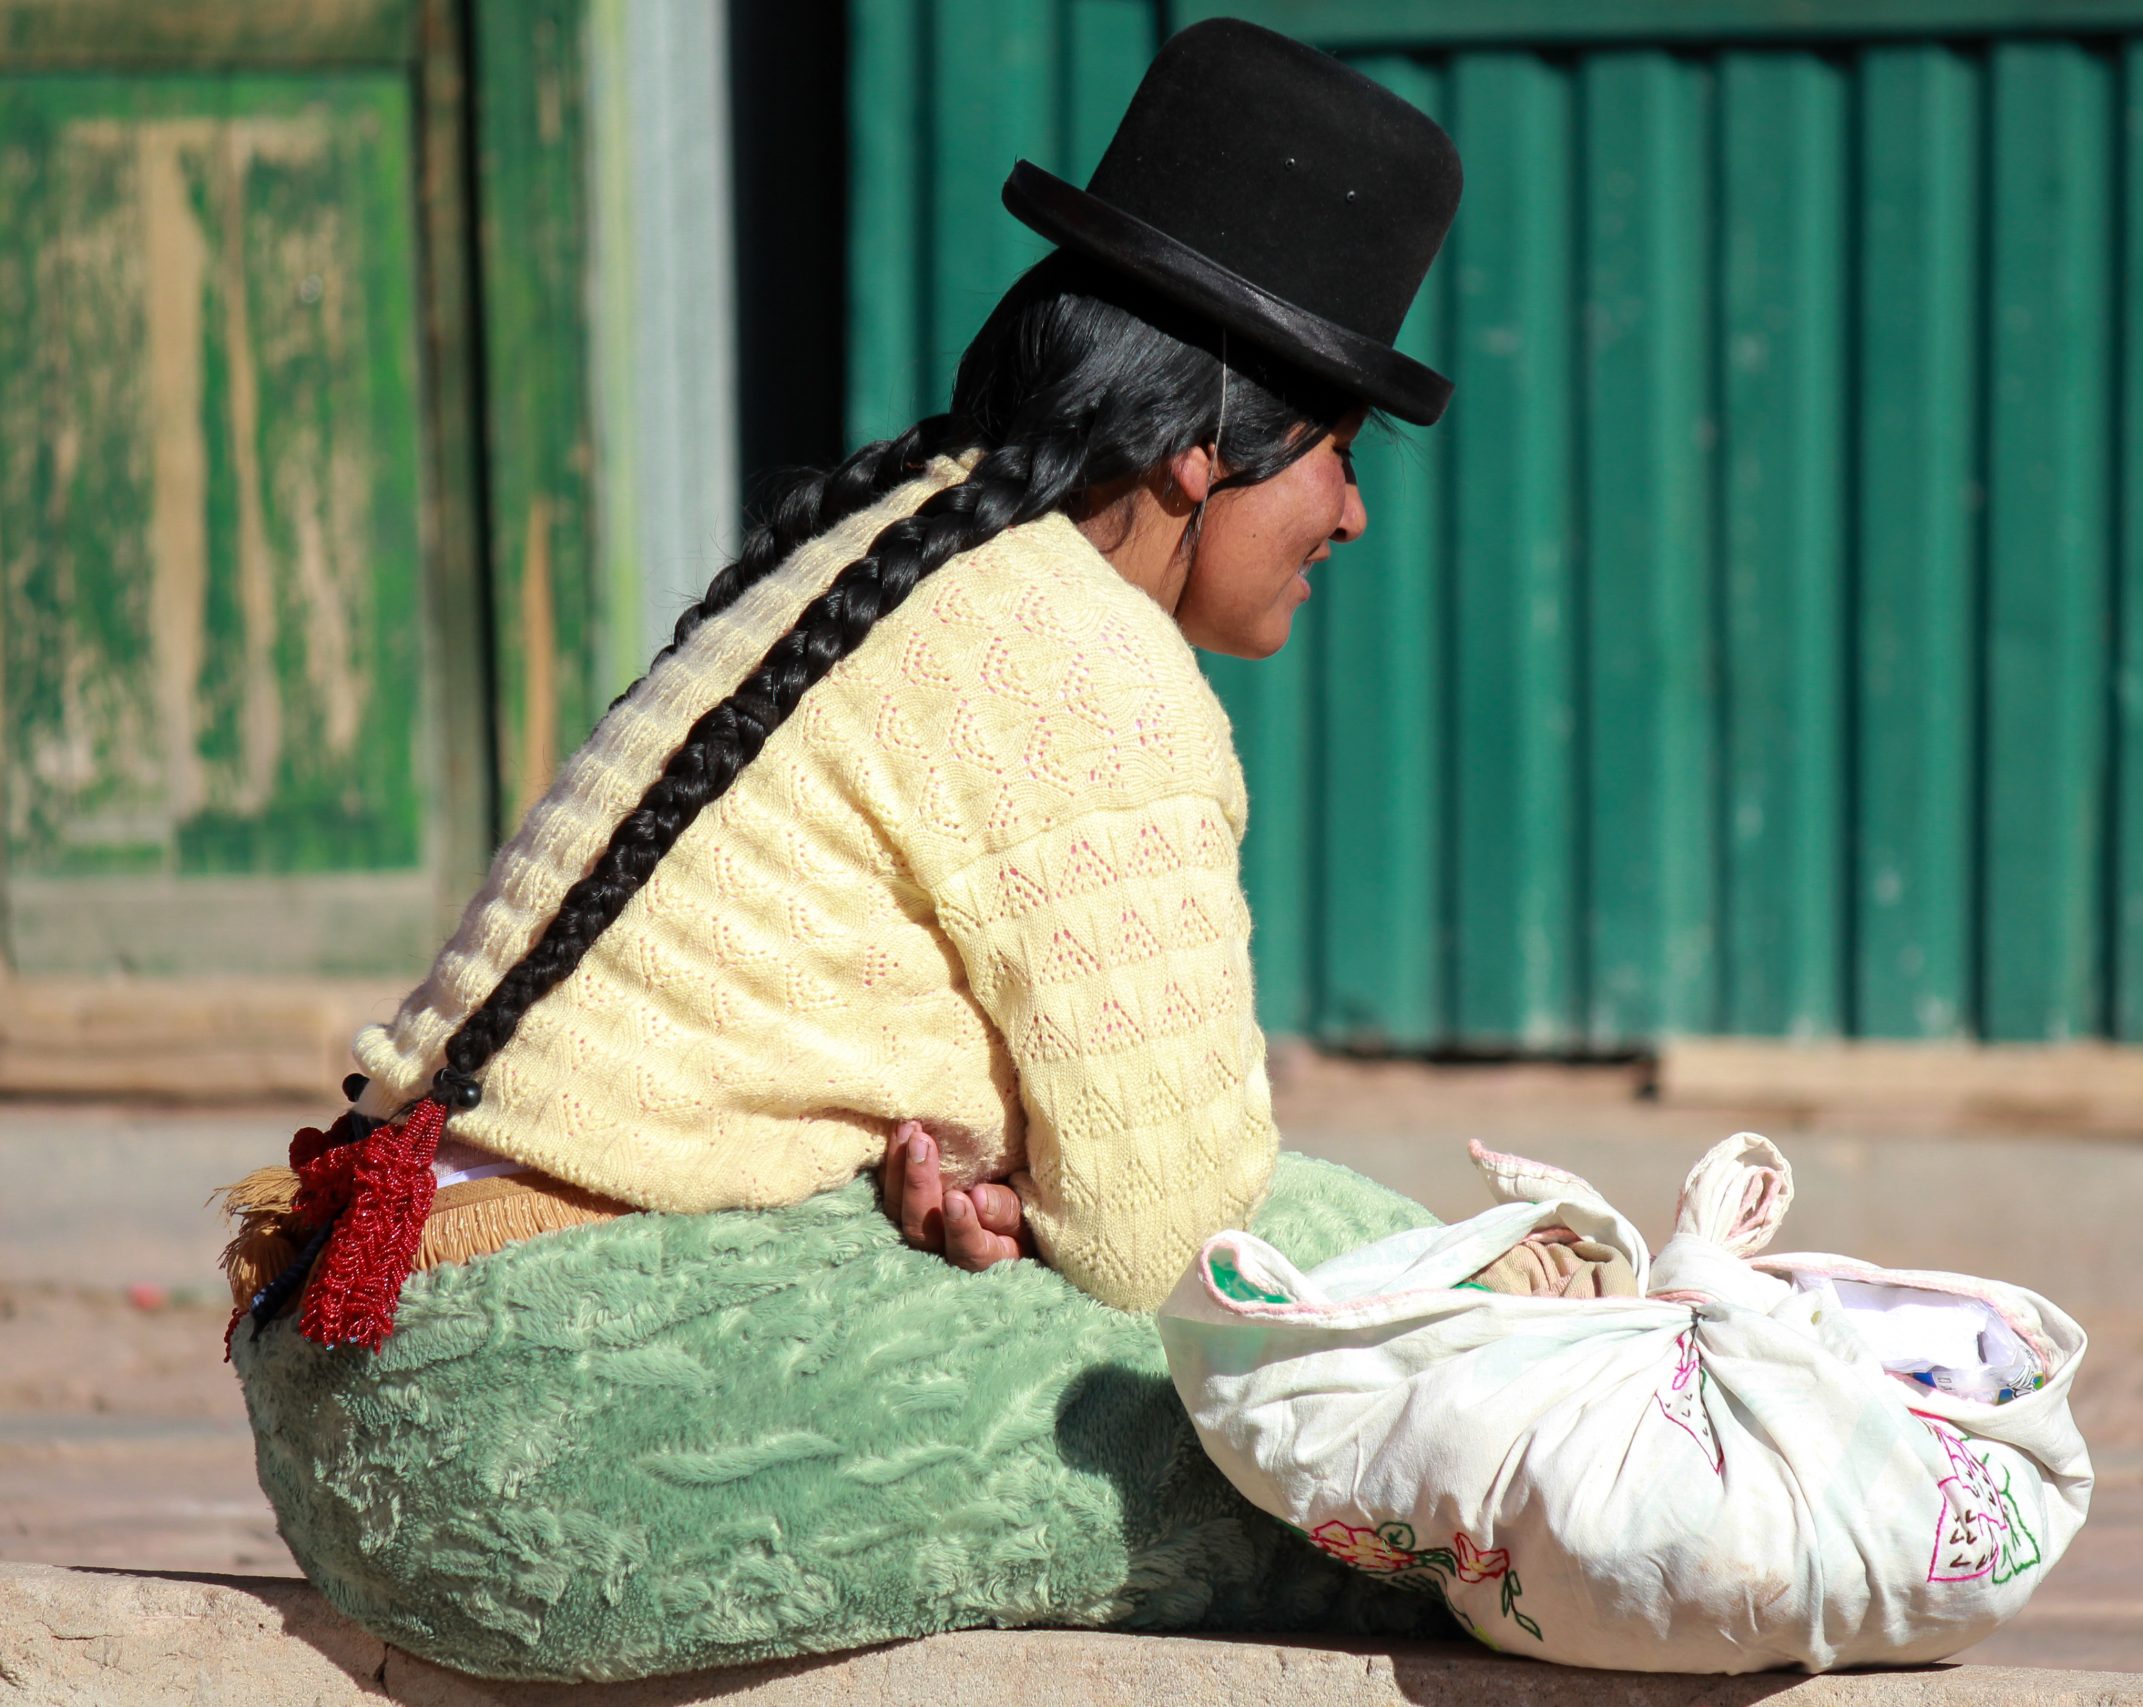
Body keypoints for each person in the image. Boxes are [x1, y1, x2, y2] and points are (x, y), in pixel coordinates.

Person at [220, 19, 1470, 1683]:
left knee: (1382, 1336)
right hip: (524, 1422)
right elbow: (1179, 1238)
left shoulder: (897, 542)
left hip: (377, 1369)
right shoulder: (1079, 661)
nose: (1353, 518)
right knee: (1405, 1465)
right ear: (1201, 443)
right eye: (1338, 455)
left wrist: (988, 1184)